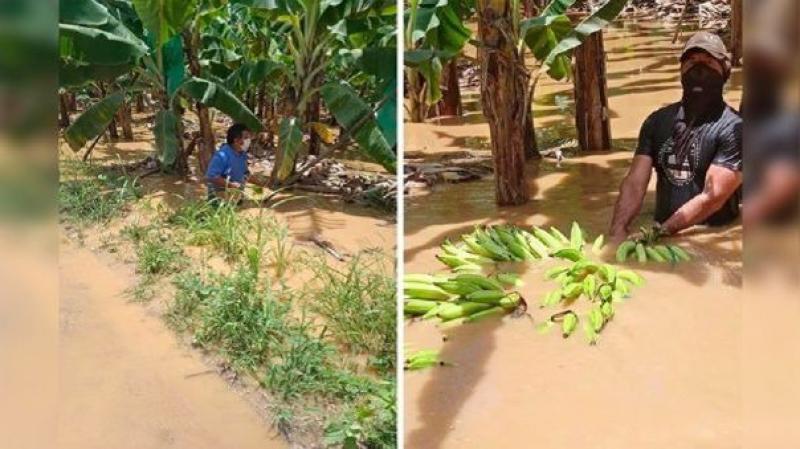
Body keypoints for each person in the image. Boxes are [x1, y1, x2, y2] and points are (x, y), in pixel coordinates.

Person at [609, 31, 743, 243]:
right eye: (692, 61)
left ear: (725, 71)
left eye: (709, 62)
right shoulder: (656, 122)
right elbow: (635, 183)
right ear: (681, 69)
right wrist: (618, 230)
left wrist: (660, 233)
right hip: (661, 230)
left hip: (709, 236)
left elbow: (713, 197)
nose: (699, 69)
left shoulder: (735, 129)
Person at [205, 123, 259, 203]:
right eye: (246, 138)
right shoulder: (222, 156)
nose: (249, 140)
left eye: (249, 138)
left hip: (236, 196)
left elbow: (245, 173)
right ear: (236, 140)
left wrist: (258, 182)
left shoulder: (242, 154)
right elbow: (211, 176)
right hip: (219, 198)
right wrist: (230, 185)